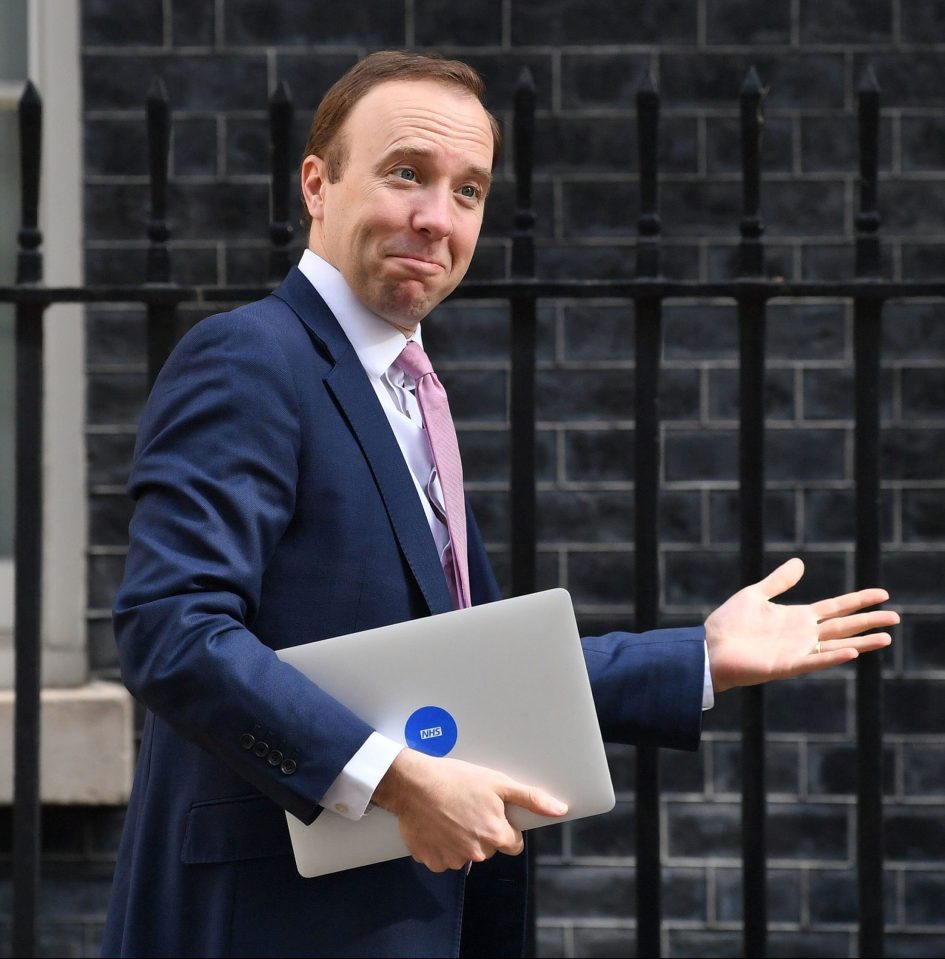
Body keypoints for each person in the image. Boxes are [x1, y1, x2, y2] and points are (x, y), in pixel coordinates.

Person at [101, 51, 898, 959]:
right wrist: (396, 782)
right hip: (270, 921)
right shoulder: (250, 359)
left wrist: (701, 658)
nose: (436, 217)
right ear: (316, 185)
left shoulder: (407, 389)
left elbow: (464, 677)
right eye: (407, 172)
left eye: (468, 190)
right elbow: (172, 628)